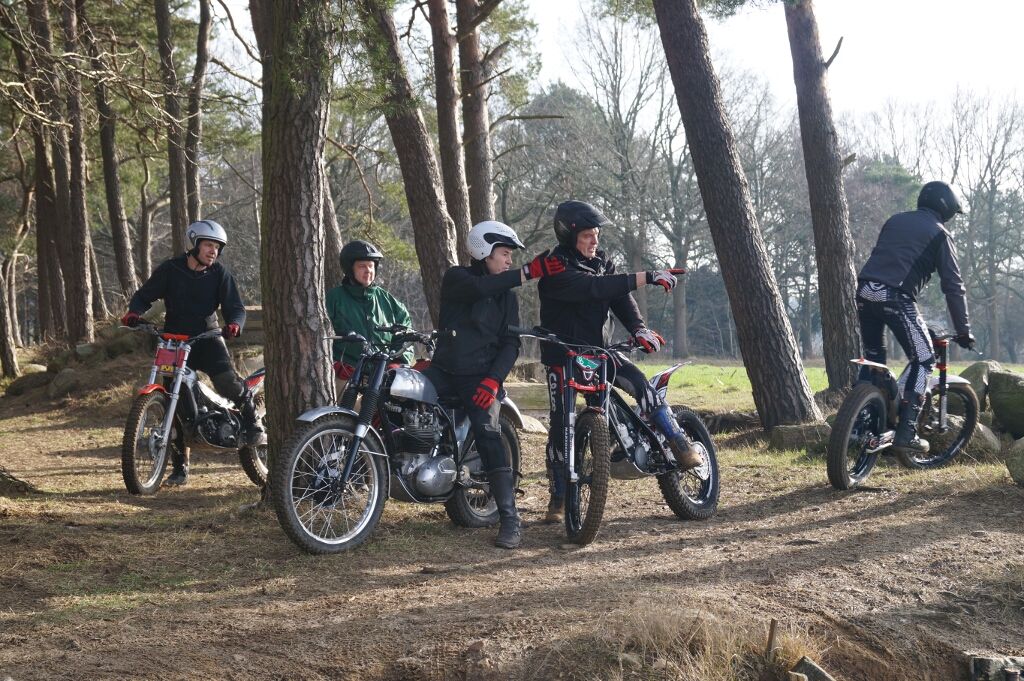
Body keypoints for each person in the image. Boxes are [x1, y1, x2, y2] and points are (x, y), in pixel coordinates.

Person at [537, 200, 702, 525]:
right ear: (568, 235)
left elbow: (619, 297)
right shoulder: (555, 267)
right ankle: (558, 497)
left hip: (600, 352)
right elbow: (595, 288)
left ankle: (679, 443)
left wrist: (638, 328)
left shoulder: (602, 261)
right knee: (559, 423)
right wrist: (648, 276)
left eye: (596, 235)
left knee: (640, 383)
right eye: (588, 235)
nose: (594, 241)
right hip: (562, 356)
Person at [424, 221, 566, 549]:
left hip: (481, 378)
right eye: (504, 254)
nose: (509, 261)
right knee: (400, 397)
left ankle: (510, 519)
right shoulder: (457, 278)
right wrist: (527, 272)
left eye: (511, 256)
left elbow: (511, 344)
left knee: (489, 433)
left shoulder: (507, 298)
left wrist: (492, 380)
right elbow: (479, 289)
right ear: (483, 252)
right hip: (442, 372)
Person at [121, 220, 262, 486]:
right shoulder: (171, 269)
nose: (213, 251)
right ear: (193, 244)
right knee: (174, 407)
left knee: (227, 383)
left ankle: (252, 418)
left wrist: (234, 324)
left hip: (207, 338)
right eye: (208, 245)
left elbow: (236, 308)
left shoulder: (220, 274)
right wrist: (133, 313)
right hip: (174, 341)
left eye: (217, 247)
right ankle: (180, 469)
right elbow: (143, 296)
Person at [856, 180, 974, 453]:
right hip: (894, 297)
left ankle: (859, 418)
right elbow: (953, 287)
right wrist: (964, 330)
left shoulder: (895, 220)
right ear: (947, 209)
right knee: (924, 359)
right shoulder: (941, 234)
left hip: (864, 291)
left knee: (874, 356)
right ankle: (906, 433)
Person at [326, 240, 413, 381]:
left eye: (371, 266)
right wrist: (333, 364)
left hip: (383, 377)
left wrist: (398, 363)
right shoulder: (332, 299)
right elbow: (319, 338)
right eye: (362, 266)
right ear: (349, 269)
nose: (368, 271)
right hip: (345, 376)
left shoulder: (391, 303)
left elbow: (407, 338)